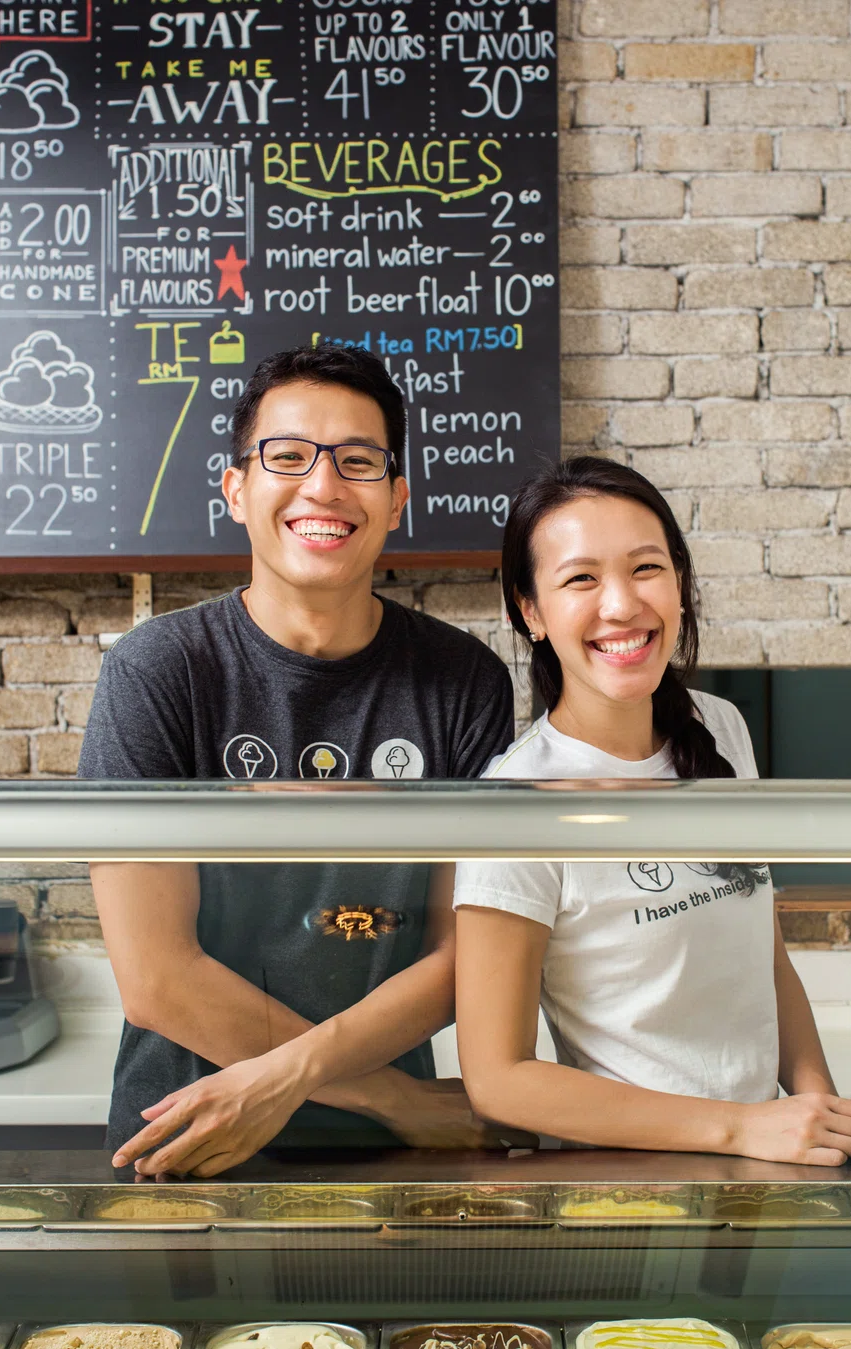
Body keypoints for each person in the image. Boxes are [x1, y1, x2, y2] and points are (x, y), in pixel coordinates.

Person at [79, 341, 517, 1177]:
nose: (323, 486)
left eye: (358, 461)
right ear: (236, 488)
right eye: (288, 456)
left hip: (394, 1165)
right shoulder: (158, 671)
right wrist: (387, 1094)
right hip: (192, 1141)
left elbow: (463, 949)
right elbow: (157, 976)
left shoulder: (464, 681)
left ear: (397, 500)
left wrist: (295, 1073)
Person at [453, 456, 851, 1166]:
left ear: (679, 582)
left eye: (646, 568)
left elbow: (764, 962)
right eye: (581, 578)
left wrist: (828, 1117)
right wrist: (744, 1128)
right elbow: (499, 1081)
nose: (621, 604)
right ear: (531, 612)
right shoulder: (516, 799)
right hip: (630, 1182)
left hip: (757, 1171)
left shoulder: (721, 728)